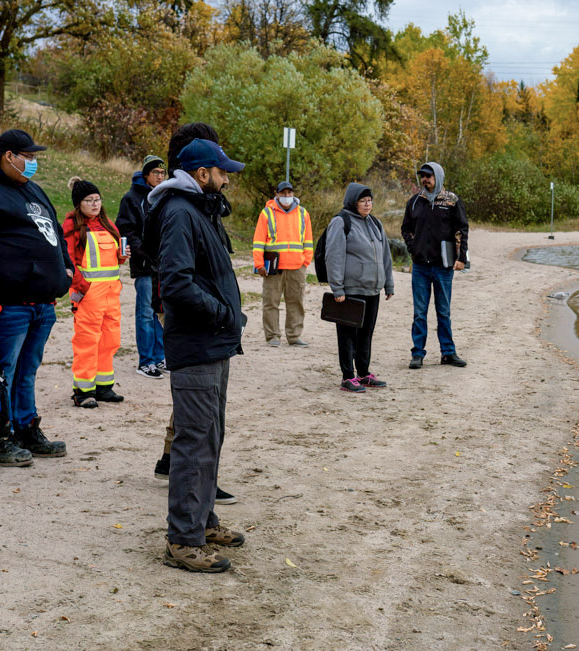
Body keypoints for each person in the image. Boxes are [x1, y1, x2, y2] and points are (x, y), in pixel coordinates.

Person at [145, 137, 246, 572]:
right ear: (201, 175)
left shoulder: (197, 209)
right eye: (221, 173)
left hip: (213, 341)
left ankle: (202, 521)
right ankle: (183, 541)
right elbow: (178, 283)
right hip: (198, 342)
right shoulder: (179, 212)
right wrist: (224, 314)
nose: (226, 180)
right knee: (194, 443)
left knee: (210, 437)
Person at [0, 129, 72, 466]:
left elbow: (54, 230)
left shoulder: (33, 190)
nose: (33, 163)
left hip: (41, 304)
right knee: (3, 373)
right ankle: (0, 437)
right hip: (5, 304)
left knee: (28, 371)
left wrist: (66, 267)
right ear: (8, 156)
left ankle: (26, 427)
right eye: (28, 156)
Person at [62, 177, 129, 407]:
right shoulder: (72, 225)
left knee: (110, 340)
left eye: (97, 199)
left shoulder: (108, 224)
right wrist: (82, 287)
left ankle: (103, 388)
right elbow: (68, 258)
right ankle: (83, 391)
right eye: (89, 200)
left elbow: (113, 260)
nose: (95, 204)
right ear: (78, 204)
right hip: (89, 295)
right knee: (87, 341)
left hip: (112, 294)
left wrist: (122, 255)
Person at [325, 183, 394, 392]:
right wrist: (337, 289)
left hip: (372, 289)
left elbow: (385, 256)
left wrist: (388, 283)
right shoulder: (341, 221)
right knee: (347, 334)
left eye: (370, 200)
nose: (367, 204)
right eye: (363, 201)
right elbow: (333, 256)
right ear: (353, 202)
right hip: (350, 290)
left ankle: (363, 373)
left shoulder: (375, 223)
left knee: (366, 333)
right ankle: (348, 376)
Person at [400, 162, 468, 369]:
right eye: (422, 176)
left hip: (443, 266)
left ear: (438, 176)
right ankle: (418, 353)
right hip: (420, 266)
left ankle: (448, 353)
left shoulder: (452, 201)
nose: (425, 179)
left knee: (443, 311)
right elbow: (406, 229)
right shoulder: (414, 202)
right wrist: (414, 249)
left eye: (429, 176)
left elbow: (461, 229)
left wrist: (461, 257)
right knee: (419, 312)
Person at [116, 155, 167, 379]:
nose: (160, 176)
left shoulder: (165, 196)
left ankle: (160, 356)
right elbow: (126, 229)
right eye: (155, 172)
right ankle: (145, 361)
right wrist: (144, 252)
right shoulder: (132, 198)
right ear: (146, 175)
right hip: (145, 265)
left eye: (162, 173)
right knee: (145, 313)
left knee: (160, 312)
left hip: (164, 265)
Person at [252, 180, 313, 347]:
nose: (287, 196)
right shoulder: (267, 213)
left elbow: (308, 240)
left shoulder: (303, 213)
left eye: (290, 193)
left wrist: (306, 261)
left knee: (296, 302)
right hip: (273, 267)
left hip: (297, 267)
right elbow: (258, 240)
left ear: (293, 194)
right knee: (270, 302)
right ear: (277, 194)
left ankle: (294, 336)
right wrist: (259, 264)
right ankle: (273, 336)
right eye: (283, 193)